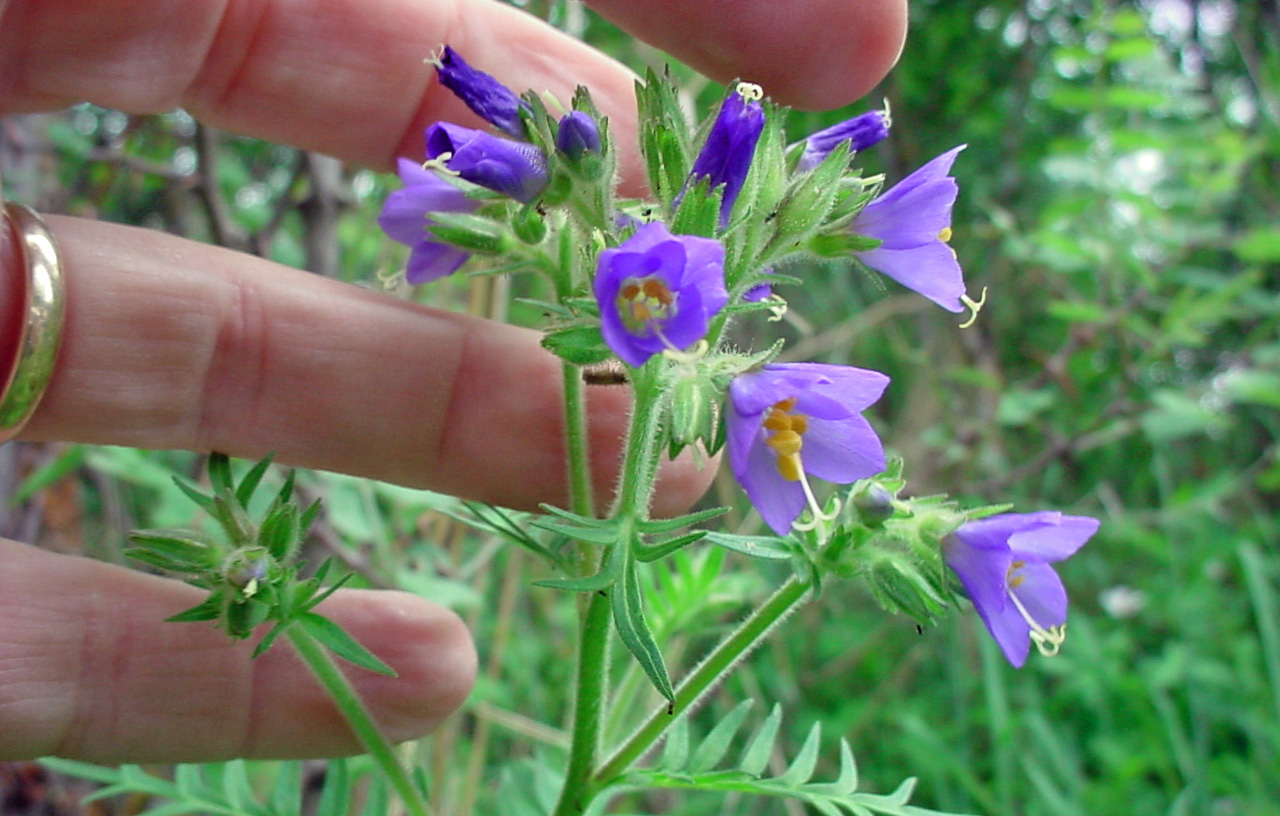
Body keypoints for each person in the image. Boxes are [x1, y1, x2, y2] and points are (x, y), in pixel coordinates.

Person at [0, 0, 907, 764]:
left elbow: (672, 307)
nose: (645, 298)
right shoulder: (631, 277)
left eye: (657, 293)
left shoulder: (674, 297)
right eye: (638, 291)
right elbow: (635, 275)